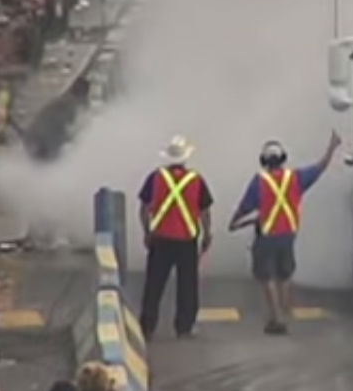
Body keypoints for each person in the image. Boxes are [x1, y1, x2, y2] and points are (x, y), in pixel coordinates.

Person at [228, 131, 341, 334]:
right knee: (284, 273)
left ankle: (276, 318)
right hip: (288, 234)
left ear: (264, 161)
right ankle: (284, 309)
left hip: (266, 235)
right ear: (282, 159)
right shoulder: (295, 178)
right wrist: (332, 147)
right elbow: (320, 167)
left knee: (267, 276)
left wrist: (234, 221)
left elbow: (245, 206)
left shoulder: (259, 181)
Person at [138, 135, 214, 340]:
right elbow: (205, 210)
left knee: (154, 285)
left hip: (160, 239)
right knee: (187, 285)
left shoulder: (156, 177)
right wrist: (207, 234)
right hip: (187, 241)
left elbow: (144, 208)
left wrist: (146, 232)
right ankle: (184, 327)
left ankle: (147, 326)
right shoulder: (196, 180)